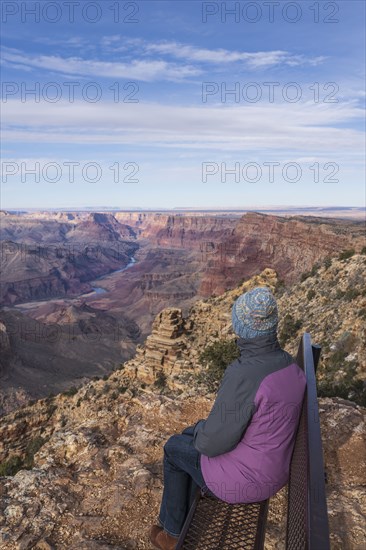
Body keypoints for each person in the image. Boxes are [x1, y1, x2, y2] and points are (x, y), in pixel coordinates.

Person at [149, 286, 306, 550]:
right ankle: (179, 520)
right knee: (191, 436)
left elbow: (211, 445)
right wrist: (198, 430)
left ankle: (173, 534)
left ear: (242, 327)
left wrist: (199, 431)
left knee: (174, 449)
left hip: (245, 482)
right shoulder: (289, 364)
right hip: (273, 471)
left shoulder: (244, 374)